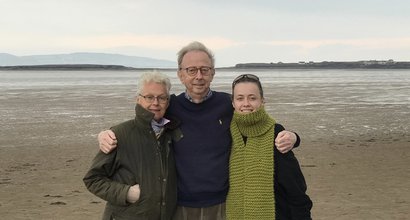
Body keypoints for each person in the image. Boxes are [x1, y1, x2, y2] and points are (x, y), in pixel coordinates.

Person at [97, 41, 301, 220]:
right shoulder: (171, 106)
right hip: (179, 205)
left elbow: (257, 123)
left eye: (204, 69)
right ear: (180, 74)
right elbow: (141, 125)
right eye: (191, 70)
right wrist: (106, 134)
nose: (198, 76)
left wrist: (292, 136)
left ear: (213, 72)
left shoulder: (226, 104)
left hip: (222, 204)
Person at [83, 71, 181, 220]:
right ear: (138, 99)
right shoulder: (119, 134)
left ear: (167, 102)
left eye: (161, 98)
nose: (155, 103)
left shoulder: (172, 133)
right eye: (149, 97)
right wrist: (126, 193)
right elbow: (93, 179)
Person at [226, 73, 312, 220]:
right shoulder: (226, 132)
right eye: (240, 98)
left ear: (262, 101)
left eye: (252, 98)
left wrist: (294, 137)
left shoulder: (276, 133)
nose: (246, 103)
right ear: (233, 103)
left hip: (275, 213)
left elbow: (294, 186)